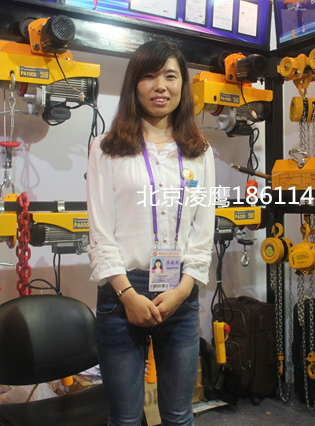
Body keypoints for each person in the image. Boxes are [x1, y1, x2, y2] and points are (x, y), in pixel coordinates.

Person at [86, 40, 215, 425]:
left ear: (182, 85)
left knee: (178, 415)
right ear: (134, 85)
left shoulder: (200, 151)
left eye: (170, 76)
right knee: (125, 418)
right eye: (149, 76)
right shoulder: (105, 149)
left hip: (180, 293)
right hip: (121, 294)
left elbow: (202, 231)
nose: (161, 86)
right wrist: (127, 295)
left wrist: (183, 290)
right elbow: (100, 232)